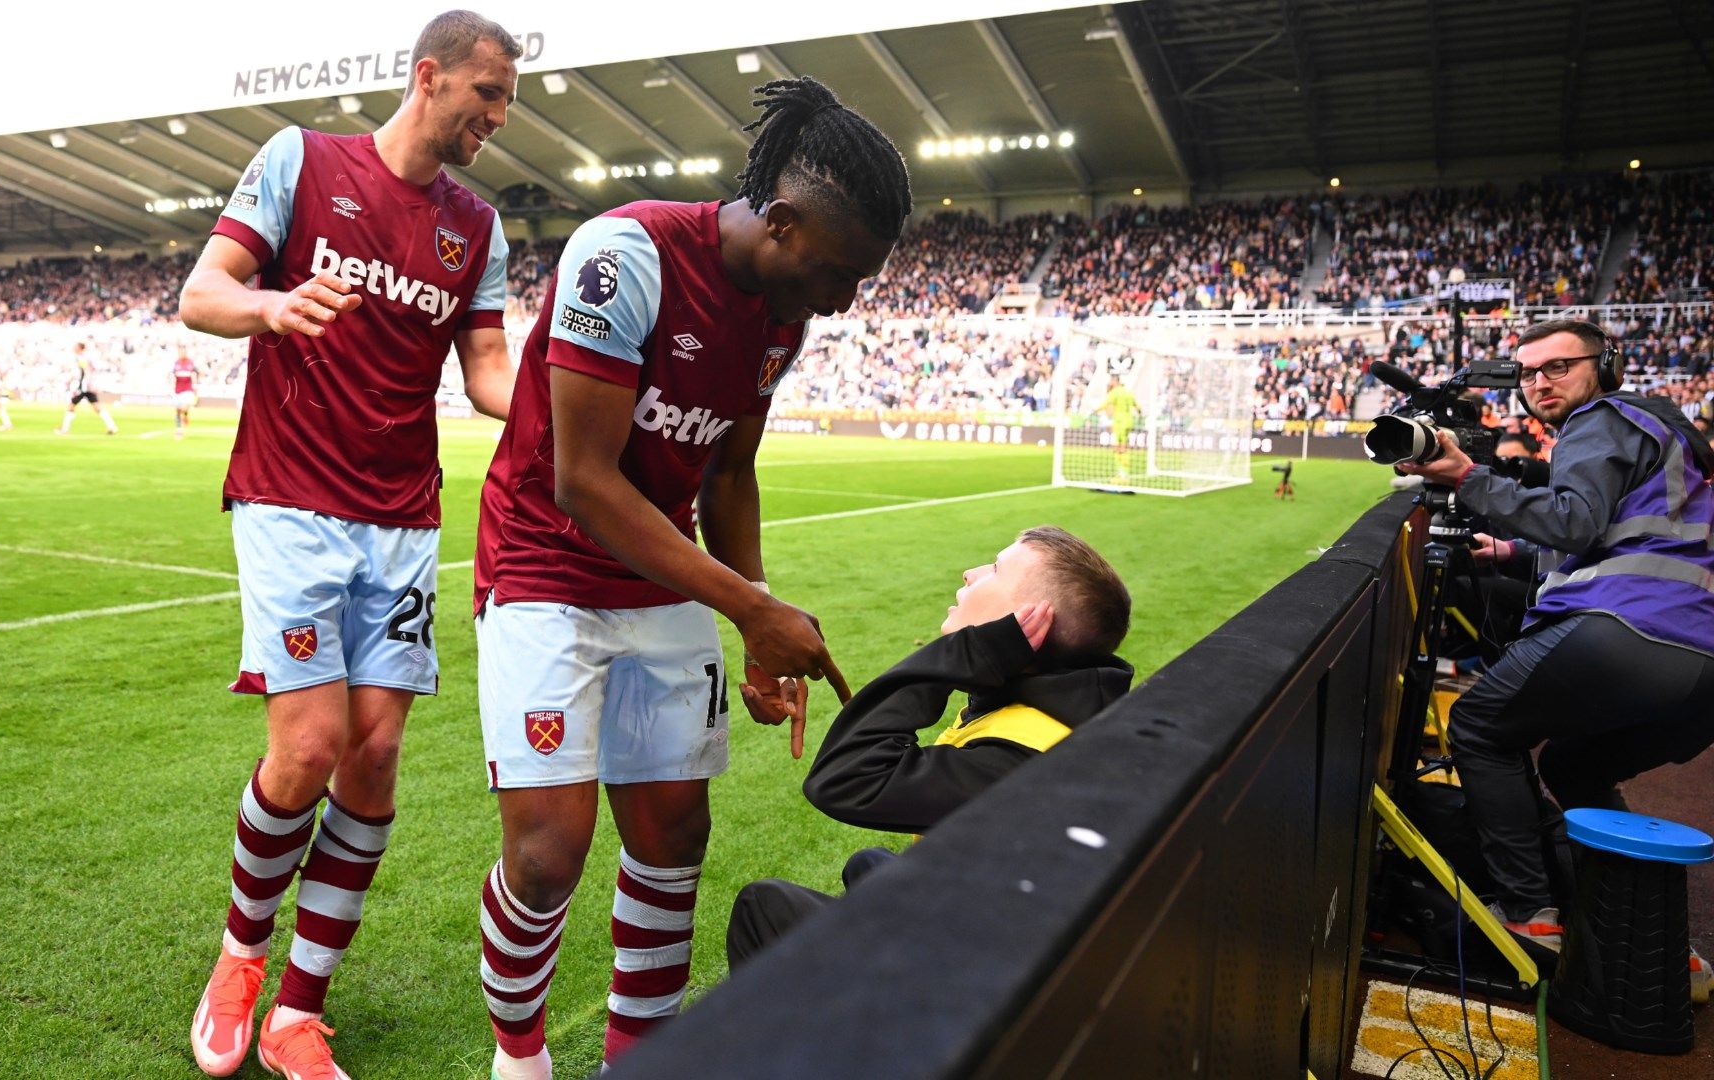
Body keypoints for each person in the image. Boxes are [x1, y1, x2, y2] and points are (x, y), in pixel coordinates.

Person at [470, 76, 909, 1079]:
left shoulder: (783, 308)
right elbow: (583, 482)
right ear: (786, 222)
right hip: (545, 562)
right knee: (546, 858)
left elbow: (729, 468)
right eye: (840, 273)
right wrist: (752, 606)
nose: (841, 303)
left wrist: (754, 625)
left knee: (674, 835)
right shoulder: (624, 258)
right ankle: (520, 1058)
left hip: (661, 574)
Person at [175, 11, 520, 1078]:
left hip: (404, 515)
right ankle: (240, 957)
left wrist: (575, 403)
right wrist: (273, 308)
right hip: (288, 497)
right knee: (311, 745)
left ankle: (297, 1013)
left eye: (507, 101)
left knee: (375, 758)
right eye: (487, 95)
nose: (497, 120)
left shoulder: (479, 226)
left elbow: (489, 373)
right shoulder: (301, 161)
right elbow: (203, 295)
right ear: (429, 78)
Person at [1399, 319, 1714, 980]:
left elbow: (1575, 519)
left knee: (1481, 725)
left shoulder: (1598, 418)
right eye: (1527, 372)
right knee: (1574, 769)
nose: (1539, 382)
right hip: (1701, 669)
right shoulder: (1666, 428)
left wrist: (1465, 475)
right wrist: (1510, 548)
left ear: (1606, 367)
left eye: (1558, 367)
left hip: (1630, 632)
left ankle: (1530, 911)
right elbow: (1618, 528)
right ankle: (1647, 937)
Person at [724, 526, 1133, 970]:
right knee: (870, 866)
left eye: (995, 570)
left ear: (1024, 624)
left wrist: (963, 655)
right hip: (1004, 925)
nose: (970, 574)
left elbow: (843, 780)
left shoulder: (1020, 761)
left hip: (986, 980)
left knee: (763, 906)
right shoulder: (1059, 709)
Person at [55, 341, 119, 434]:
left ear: (80, 348)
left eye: (75, 347)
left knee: (71, 406)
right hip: (89, 386)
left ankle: (65, 429)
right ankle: (112, 426)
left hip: (83, 387)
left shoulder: (81, 358)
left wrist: (84, 383)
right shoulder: (87, 357)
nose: (73, 348)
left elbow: (86, 371)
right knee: (97, 407)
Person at [172, 353, 199, 438]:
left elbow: (195, 374)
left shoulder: (190, 363)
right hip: (178, 390)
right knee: (178, 410)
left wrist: (195, 386)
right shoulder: (176, 363)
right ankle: (179, 430)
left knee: (184, 407)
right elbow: (172, 375)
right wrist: (172, 386)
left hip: (187, 390)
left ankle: (186, 414)